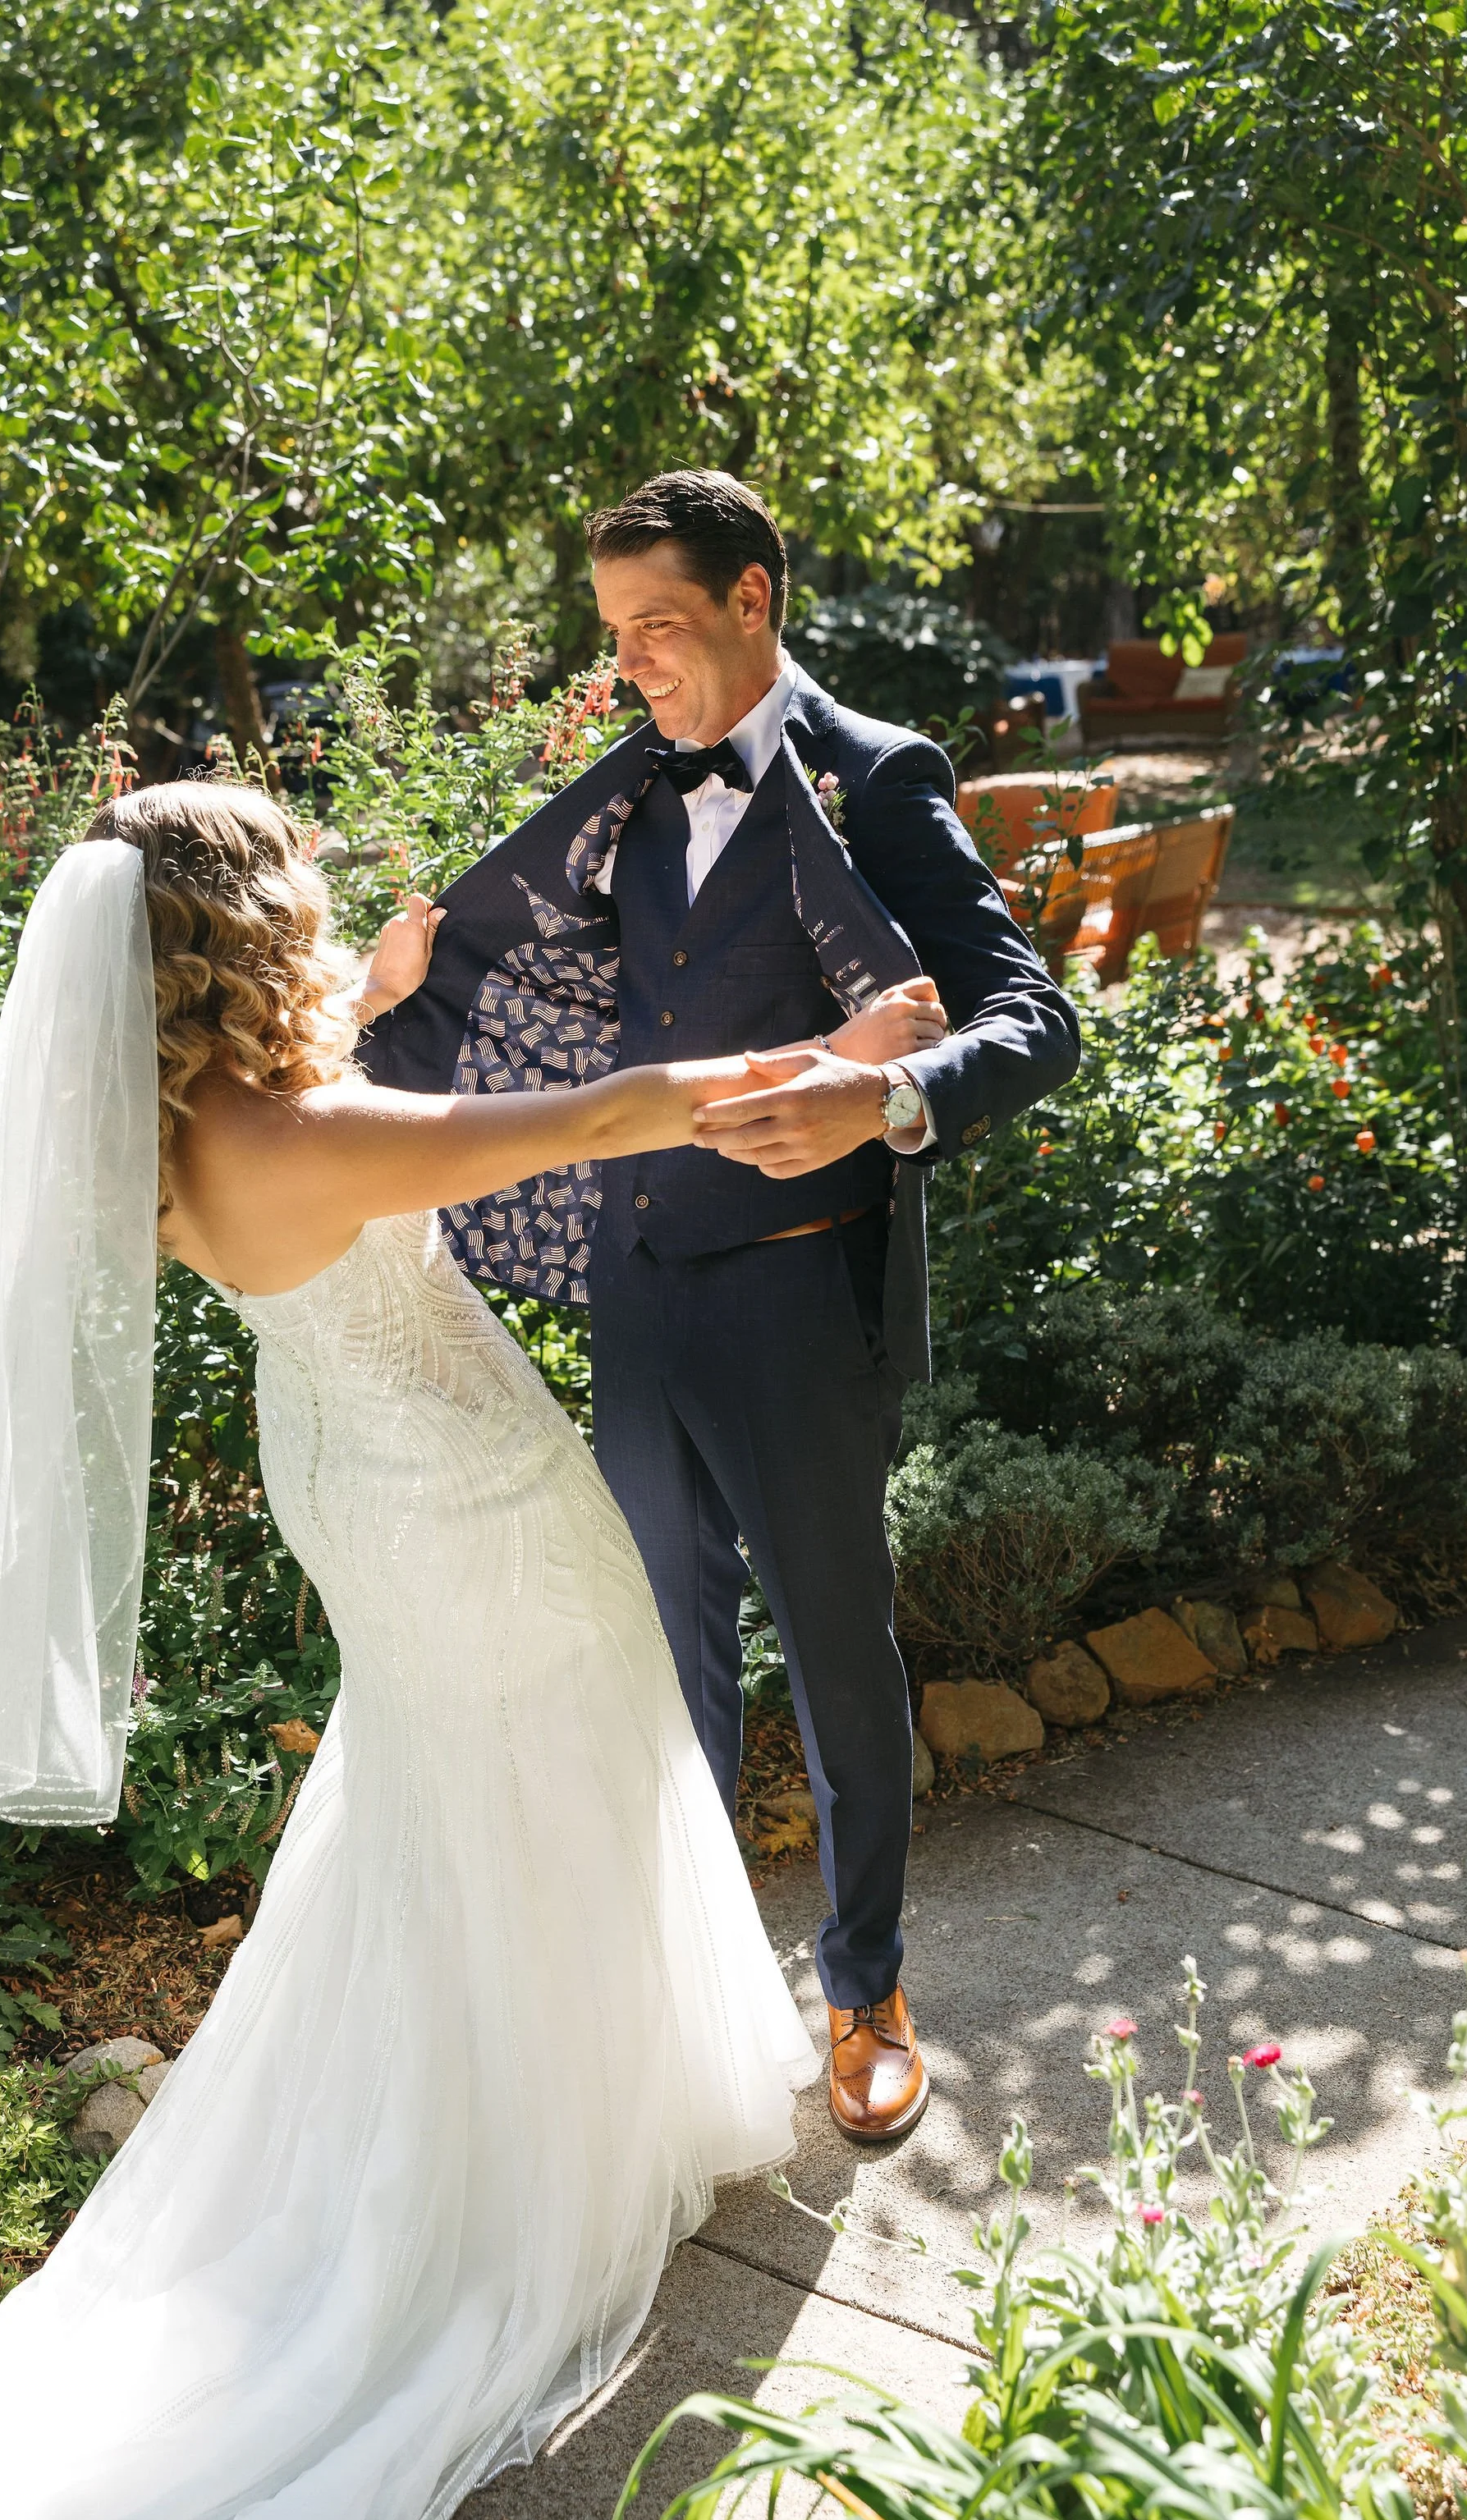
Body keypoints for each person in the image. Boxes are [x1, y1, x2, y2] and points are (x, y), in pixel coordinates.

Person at [0, 782, 819, 2520]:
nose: (324, 893)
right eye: (300, 885)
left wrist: (364, 993)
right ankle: (524, 2176)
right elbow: (601, 1117)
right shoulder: (331, 1129)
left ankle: (503, 2115)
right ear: (239, 933)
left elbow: (304, 1140)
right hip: (471, 1486)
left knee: (449, 1791)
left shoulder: (164, 1132)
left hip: (352, 1480)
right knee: (563, 1764)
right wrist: (828, 1065)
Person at [362, 470, 1081, 2145]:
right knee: (663, 1667)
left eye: (658, 631)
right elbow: (515, 986)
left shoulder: (879, 778)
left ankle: (867, 1988)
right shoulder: (621, 796)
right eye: (612, 641)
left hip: (796, 1311)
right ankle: (683, 2009)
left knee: (835, 1659)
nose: (632, 673)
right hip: (636, 1295)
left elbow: (1033, 1021)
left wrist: (876, 1105)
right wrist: (373, 1010)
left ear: (754, 599)